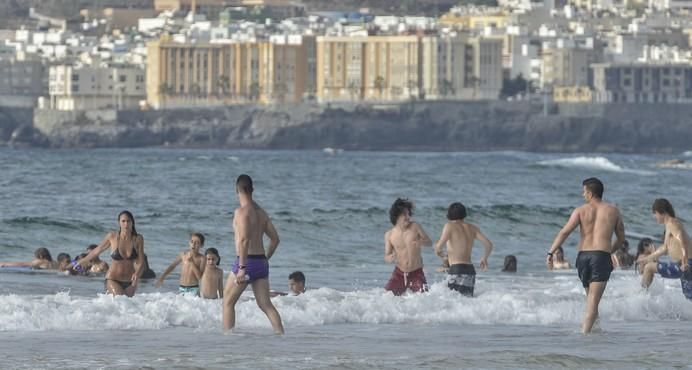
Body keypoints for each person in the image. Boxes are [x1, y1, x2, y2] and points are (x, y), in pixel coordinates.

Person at [547, 177, 625, 334]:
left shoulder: (580, 211)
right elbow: (621, 238)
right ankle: (585, 336)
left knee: (590, 298)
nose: (583, 195)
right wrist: (609, 252)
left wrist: (551, 252)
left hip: (582, 257)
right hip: (600, 256)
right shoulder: (613, 211)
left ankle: (595, 330)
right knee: (593, 301)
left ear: (590, 193)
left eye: (584, 192)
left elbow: (564, 232)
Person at [223, 174, 284, 334]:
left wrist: (242, 268)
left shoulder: (241, 212)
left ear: (237, 189)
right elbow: (275, 239)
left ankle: (227, 339)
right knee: (265, 304)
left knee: (228, 302)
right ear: (252, 190)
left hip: (246, 262)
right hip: (261, 263)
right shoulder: (261, 213)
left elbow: (243, 240)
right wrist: (266, 259)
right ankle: (281, 335)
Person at [77, 210, 145, 297]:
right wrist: (81, 262)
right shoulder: (112, 236)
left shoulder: (138, 239)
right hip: (113, 279)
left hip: (131, 281)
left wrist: (137, 274)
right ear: (119, 223)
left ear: (132, 222)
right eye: (123, 221)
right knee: (122, 301)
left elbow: (141, 262)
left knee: (126, 308)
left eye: (128, 221)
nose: (126, 224)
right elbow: (96, 251)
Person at [434, 202, 493, 297]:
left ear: (449, 214)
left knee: (453, 304)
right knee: (466, 303)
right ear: (464, 214)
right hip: (470, 271)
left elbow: (439, 247)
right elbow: (489, 244)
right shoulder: (473, 228)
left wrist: (442, 256)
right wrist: (484, 258)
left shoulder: (449, 226)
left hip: (456, 270)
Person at [637, 199, 692, 299]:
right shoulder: (670, 225)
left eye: (655, 213)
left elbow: (683, 242)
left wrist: (684, 262)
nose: (655, 217)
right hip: (685, 263)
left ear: (661, 212)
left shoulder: (672, 224)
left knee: (649, 268)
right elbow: (665, 248)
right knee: (689, 297)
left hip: (685, 264)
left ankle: (641, 297)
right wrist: (647, 258)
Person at [384, 198, 433, 296]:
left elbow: (429, 242)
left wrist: (421, 242)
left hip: (416, 273)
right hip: (399, 273)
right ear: (396, 215)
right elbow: (387, 256)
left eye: (409, 214)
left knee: (424, 298)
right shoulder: (389, 235)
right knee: (386, 297)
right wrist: (390, 258)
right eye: (405, 214)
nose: (408, 217)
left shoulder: (415, 227)